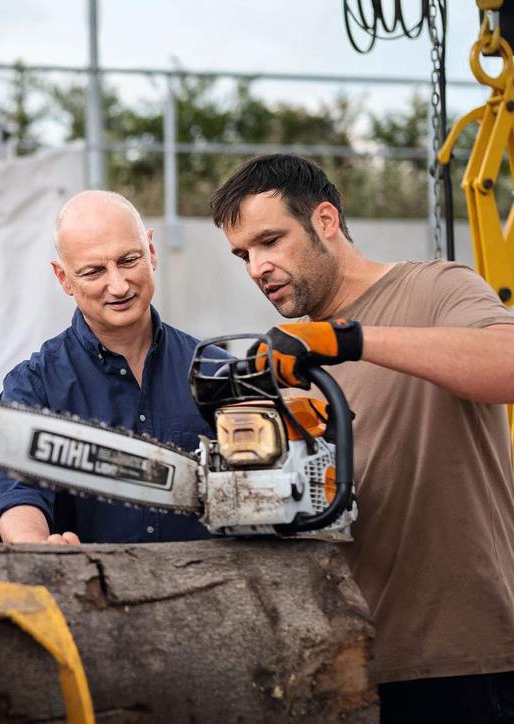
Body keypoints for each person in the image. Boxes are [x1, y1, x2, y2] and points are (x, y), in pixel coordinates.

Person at [210, 154, 514, 721]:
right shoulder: (289, 357)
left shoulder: (435, 288)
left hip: (463, 659)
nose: (257, 267)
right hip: (340, 663)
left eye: (270, 241)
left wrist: (347, 340)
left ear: (325, 220)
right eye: (244, 255)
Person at [0, 190, 216, 545]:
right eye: (94, 271)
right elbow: (20, 496)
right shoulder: (33, 388)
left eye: (128, 260)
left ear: (152, 252)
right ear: (64, 278)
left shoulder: (216, 371)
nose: (119, 285)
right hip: (91, 593)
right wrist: (35, 547)